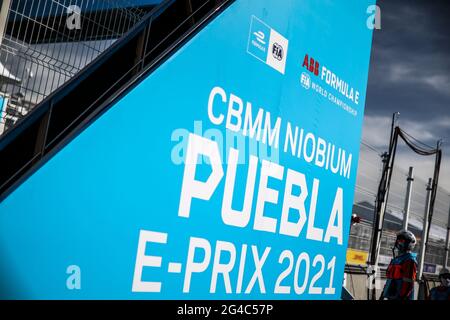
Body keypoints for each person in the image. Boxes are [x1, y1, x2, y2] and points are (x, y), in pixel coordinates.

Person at [380, 230, 418, 300]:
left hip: (401, 297)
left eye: (402, 241)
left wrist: (402, 297)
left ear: (409, 243)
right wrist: (383, 294)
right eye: (398, 240)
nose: (398, 242)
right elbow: (390, 280)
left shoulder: (409, 260)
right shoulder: (396, 260)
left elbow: (408, 283)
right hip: (392, 296)